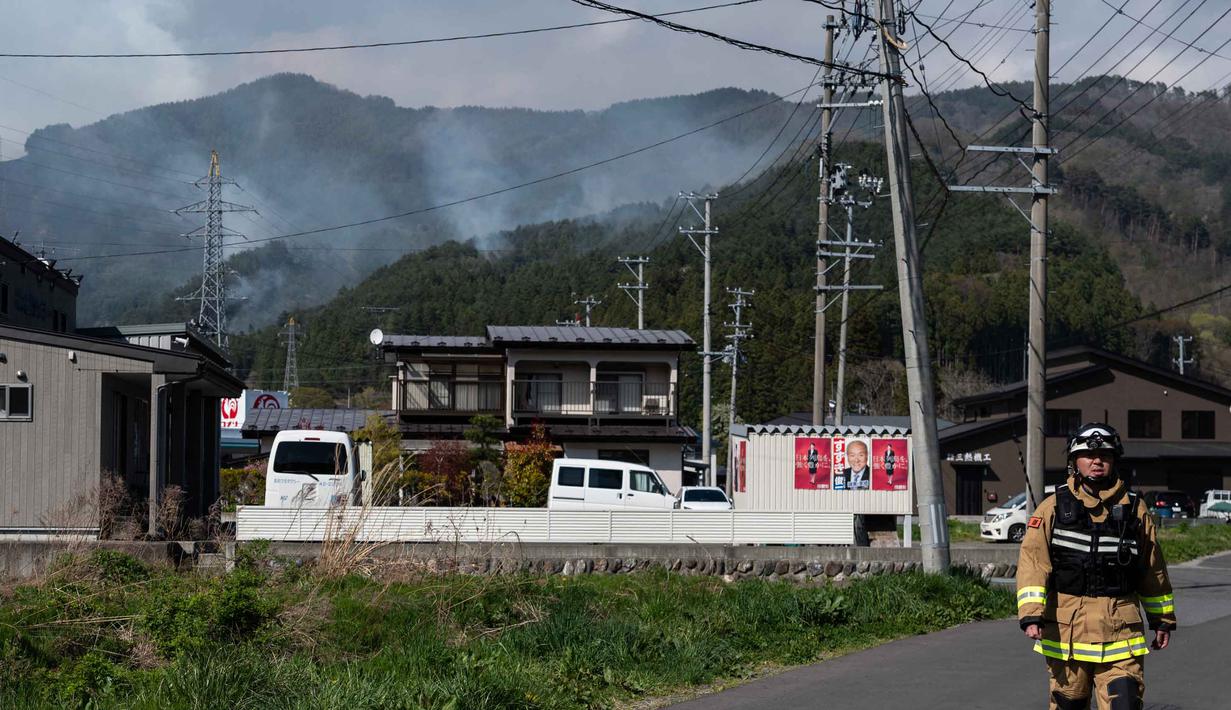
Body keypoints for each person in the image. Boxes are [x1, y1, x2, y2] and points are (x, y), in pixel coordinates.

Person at [1016, 423, 1176, 710]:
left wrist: (1162, 619)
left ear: (1114, 460)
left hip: (1121, 631)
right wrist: (1031, 614)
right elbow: (1033, 562)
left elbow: (1152, 568)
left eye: (1105, 454)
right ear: (1074, 461)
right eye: (1088, 455)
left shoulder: (1136, 510)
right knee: (1069, 705)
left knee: (1124, 703)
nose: (1097, 460)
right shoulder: (1051, 508)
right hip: (1067, 635)